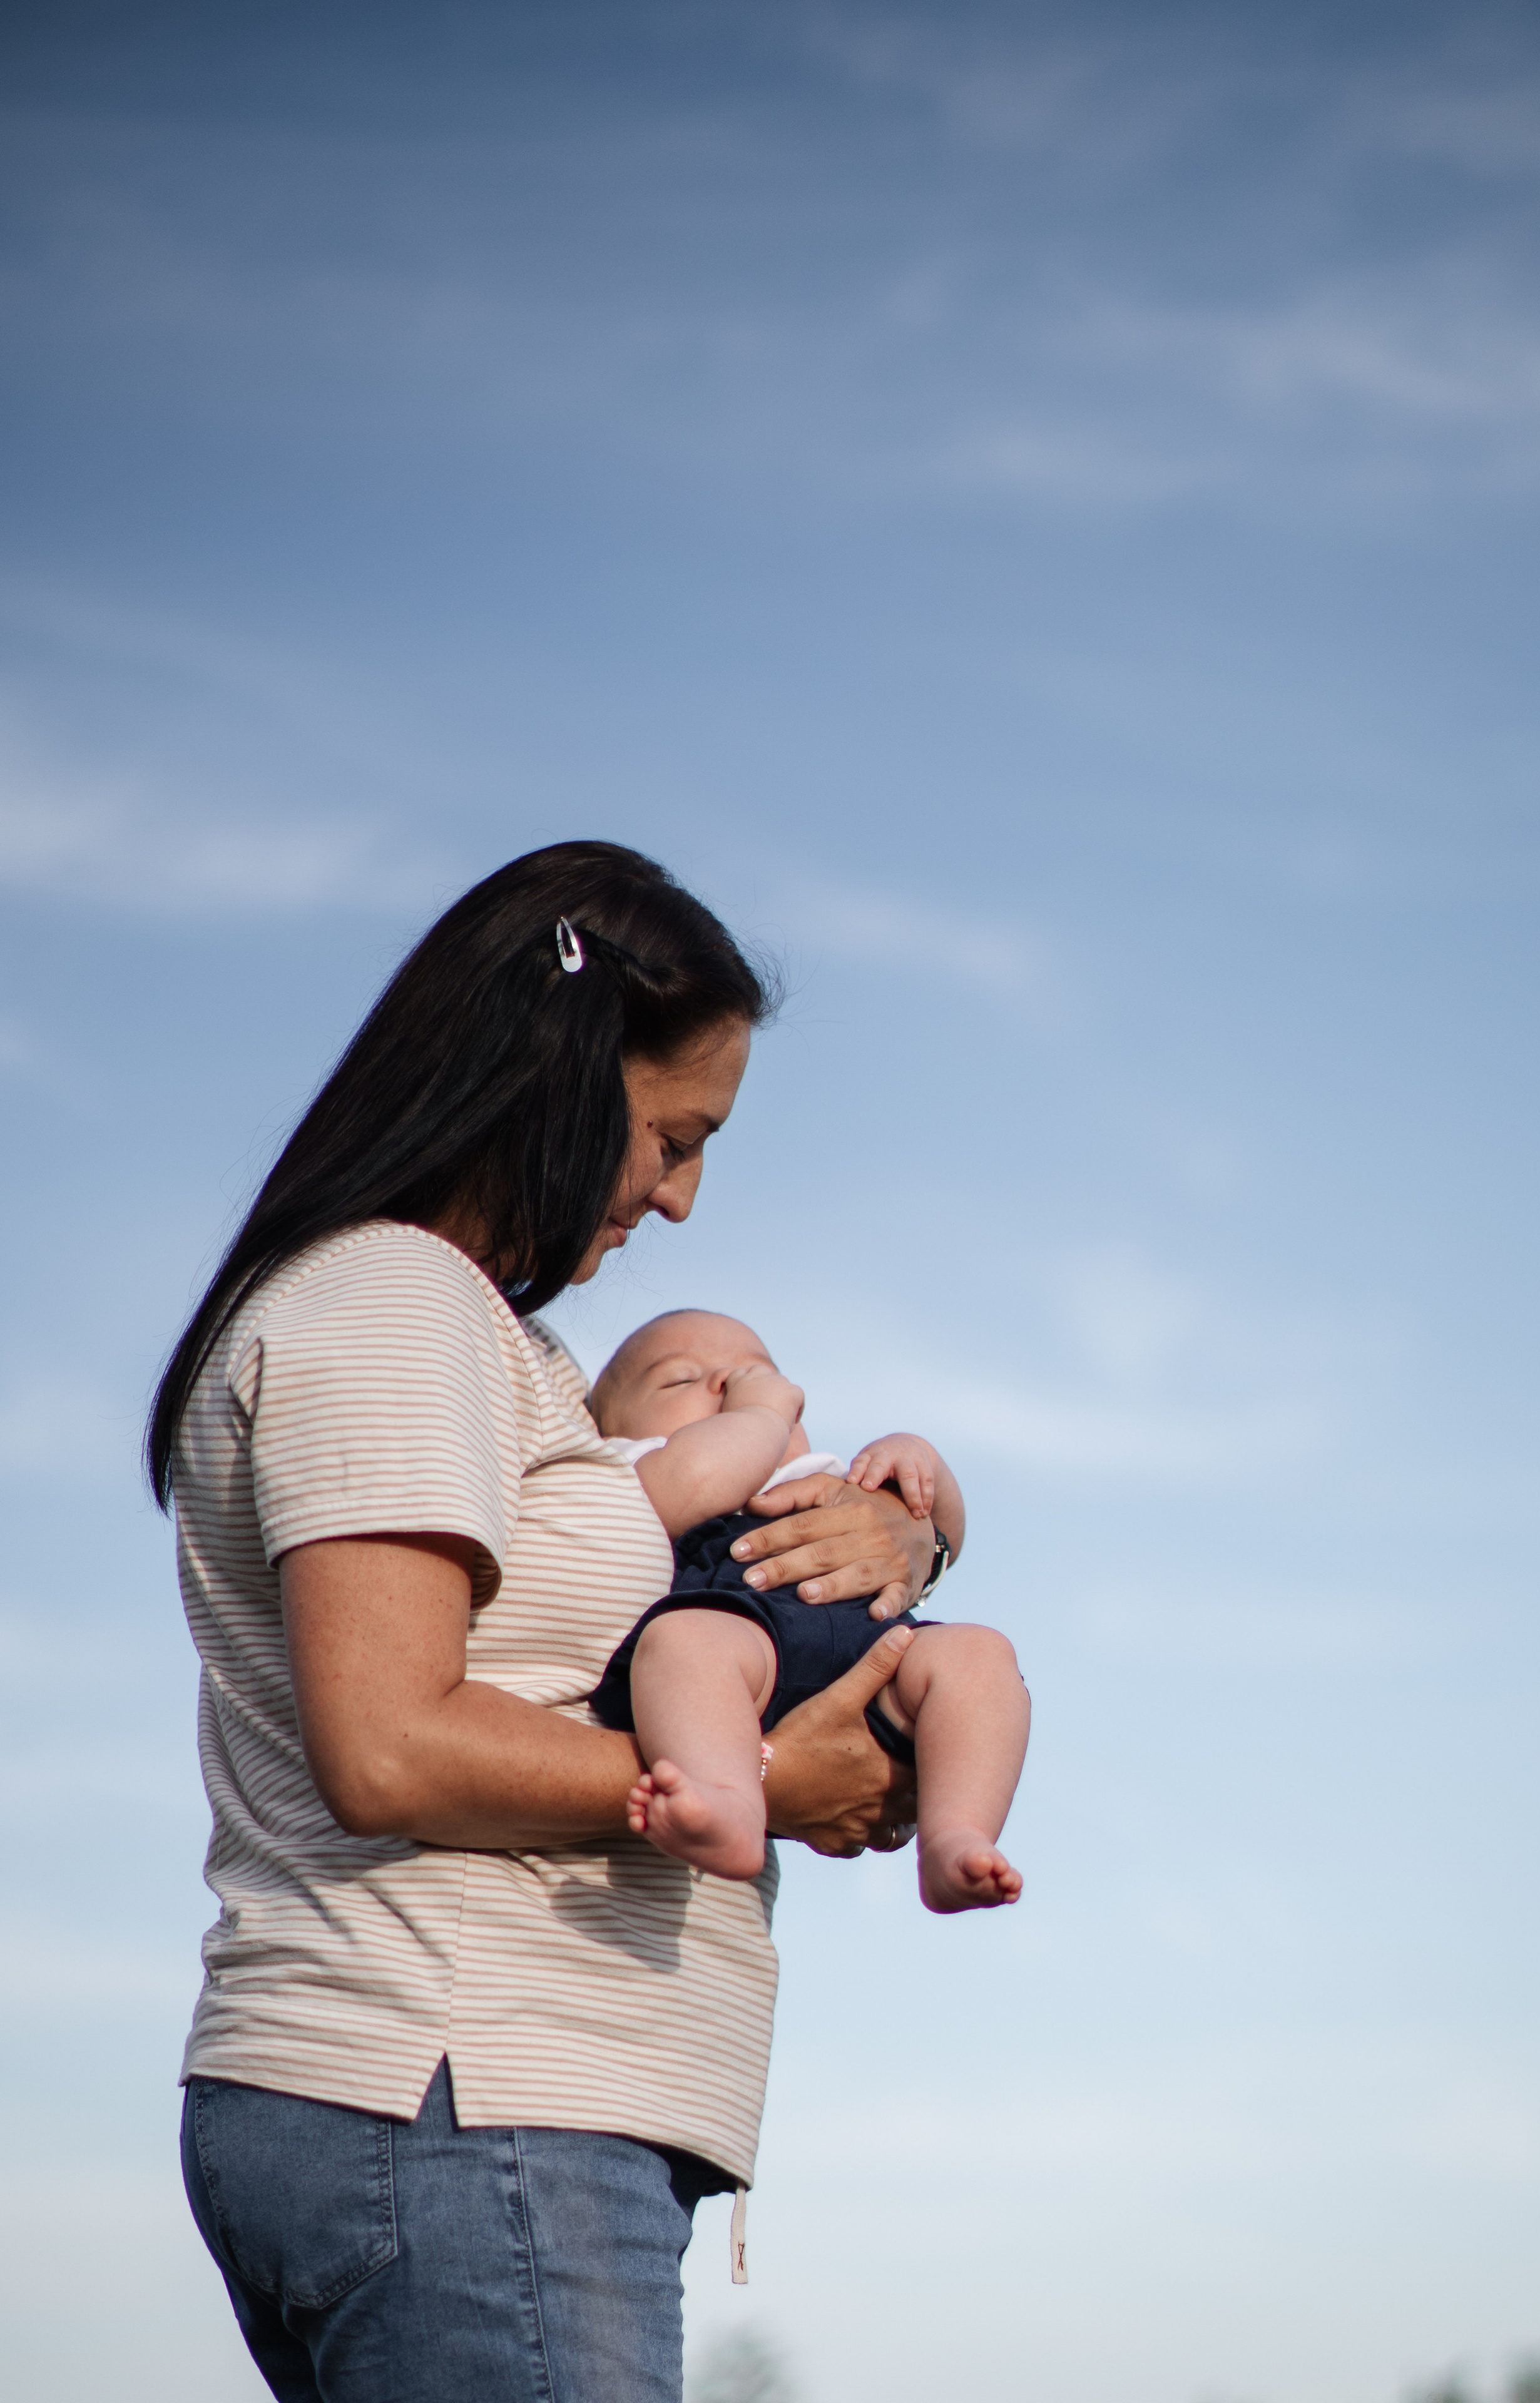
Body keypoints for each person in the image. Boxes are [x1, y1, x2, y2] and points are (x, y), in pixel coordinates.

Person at [148, 841, 939, 2403]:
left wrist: (887, 1532)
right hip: (459, 2097)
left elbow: (622, 1588)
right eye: (672, 1135)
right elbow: (389, 1744)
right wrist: (769, 1785)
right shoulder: (389, 1304)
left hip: (465, 2113)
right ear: (566, 1069)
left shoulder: (476, 1343)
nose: (681, 1195)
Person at [585, 1309, 1028, 1912]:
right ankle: (730, 1802)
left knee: (980, 1652)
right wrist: (761, 1411)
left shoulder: (824, 1478)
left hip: (872, 1647)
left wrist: (920, 1469)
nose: (727, 1382)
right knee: (682, 1643)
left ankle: (956, 1835)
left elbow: (938, 1538)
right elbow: (691, 1484)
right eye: (680, 1379)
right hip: (744, 1644)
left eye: (757, 1371)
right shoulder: (631, 1467)